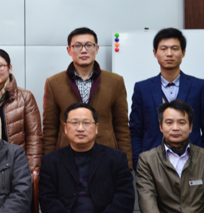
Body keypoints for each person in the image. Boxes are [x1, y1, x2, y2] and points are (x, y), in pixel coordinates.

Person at [42, 27, 132, 168]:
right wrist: (48, 165)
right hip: (66, 158)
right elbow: (50, 130)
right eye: (77, 46)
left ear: (97, 49)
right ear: (69, 50)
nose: (83, 50)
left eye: (89, 45)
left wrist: (127, 165)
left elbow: (122, 127)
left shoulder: (115, 82)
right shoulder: (54, 83)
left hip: (106, 157)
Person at [39, 102, 134, 213]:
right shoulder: (50, 162)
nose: (80, 128)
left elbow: (125, 198)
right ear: (65, 128)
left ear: (96, 128)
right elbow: (47, 200)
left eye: (86, 123)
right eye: (74, 123)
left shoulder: (117, 159)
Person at [130, 27, 204, 170]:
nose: (169, 53)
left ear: (183, 53)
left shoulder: (199, 86)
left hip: (192, 162)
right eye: (163, 49)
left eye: (175, 49)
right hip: (152, 163)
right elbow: (135, 131)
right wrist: (139, 163)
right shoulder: (142, 88)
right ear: (155, 53)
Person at [136, 99, 204, 212]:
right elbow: (147, 201)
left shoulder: (202, 157)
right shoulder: (147, 160)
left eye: (181, 122)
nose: (175, 128)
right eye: (169, 122)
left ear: (190, 127)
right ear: (161, 127)